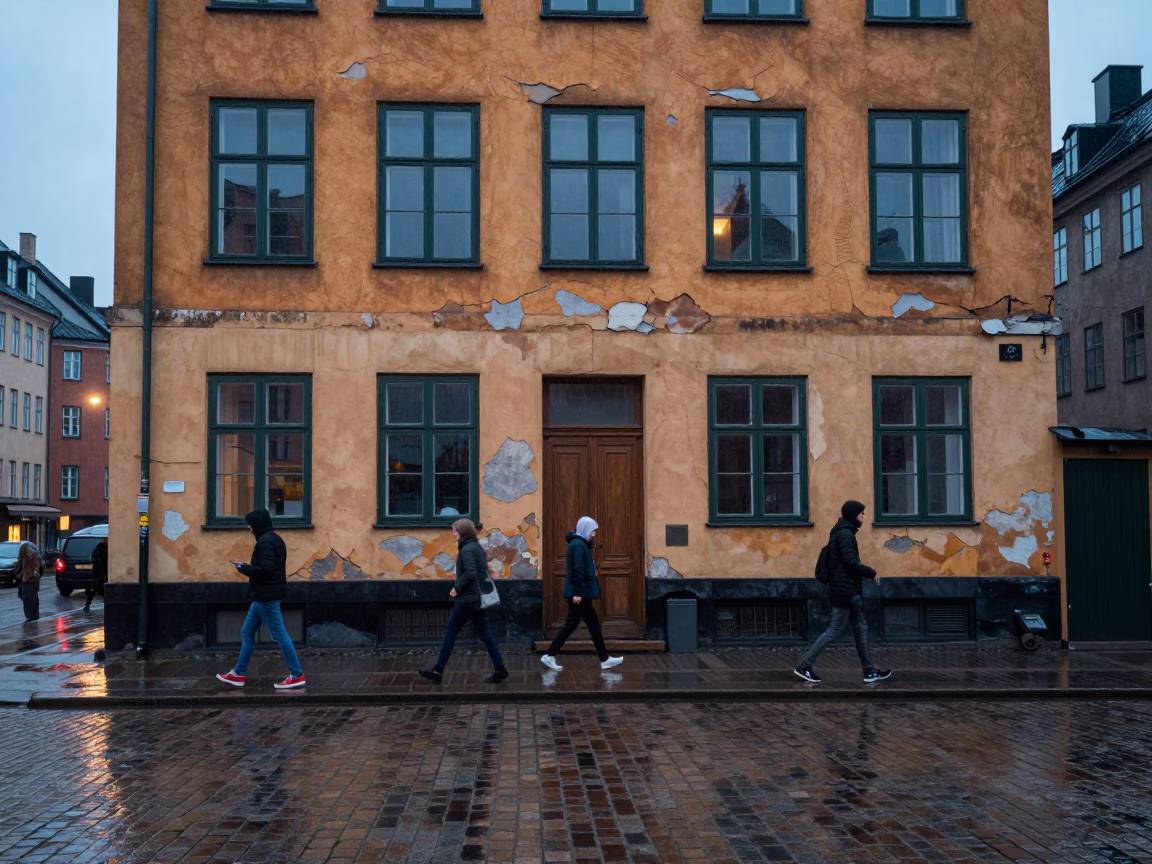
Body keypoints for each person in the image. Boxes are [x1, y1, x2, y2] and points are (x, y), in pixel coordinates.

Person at [794, 501, 891, 684]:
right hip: (844, 591)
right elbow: (850, 563)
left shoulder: (841, 532)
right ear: (853, 515)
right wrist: (872, 573)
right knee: (833, 630)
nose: (864, 516)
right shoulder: (845, 535)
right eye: (861, 513)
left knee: (861, 629)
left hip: (847, 590)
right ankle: (804, 666)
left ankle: (869, 672)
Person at [216, 508, 306, 690]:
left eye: (250, 524)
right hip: (263, 596)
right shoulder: (274, 539)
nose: (249, 528)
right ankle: (238, 674)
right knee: (246, 631)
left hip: (266, 596)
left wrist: (245, 569)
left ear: (258, 524)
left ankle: (296, 674)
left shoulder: (265, 542)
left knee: (280, 635)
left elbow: (266, 570)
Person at [419, 519, 509, 685]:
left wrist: (457, 588)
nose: (454, 534)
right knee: (486, 635)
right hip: (477, 598)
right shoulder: (476, 547)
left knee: (451, 633)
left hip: (467, 599)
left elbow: (471, 573)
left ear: (462, 532)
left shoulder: (467, 550)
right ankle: (500, 669)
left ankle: (438, 670)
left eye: (455, 531)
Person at [540, 517, 623, 674]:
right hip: (579, 593)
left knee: (592, 625)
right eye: (592, 530)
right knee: (573, 624)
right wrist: (578, 593)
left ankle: (604, 659)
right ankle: (549, 655)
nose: (593, 534)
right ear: (585, 529)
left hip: (581, 592)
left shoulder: (580, 544)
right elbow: (577, 569)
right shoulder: (578, 545)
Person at [16, 542, 42, 623]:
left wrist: (34, 575)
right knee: (27, 599)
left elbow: (37, 568)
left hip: (30, 581)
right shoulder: (24, 557)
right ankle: (31, 616)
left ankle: (32, 616)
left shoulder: (33, 557)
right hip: (27, 581)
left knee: (30, 599)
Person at [85, 539, 108, 611]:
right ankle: (87, 605)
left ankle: (87, 605)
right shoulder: (100, 548)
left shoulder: (103, 547)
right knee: (96, 590)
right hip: (100, 573)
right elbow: (98, 561)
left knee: (100, 590)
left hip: (101, 573)